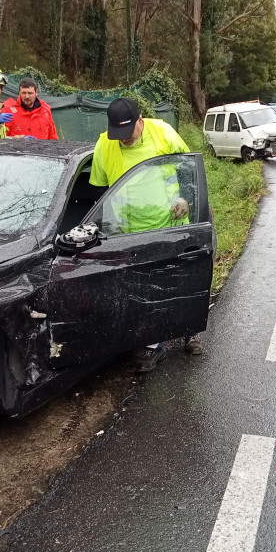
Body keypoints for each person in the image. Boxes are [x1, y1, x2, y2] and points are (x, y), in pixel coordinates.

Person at [89, 97, 205, 371]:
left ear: (140, 121)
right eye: (118, 136)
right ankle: (154, 346)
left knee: (181, 279)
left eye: (128, 134)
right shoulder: (105, 144)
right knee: (148, 288)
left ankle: (190, 330)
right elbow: (97, 191)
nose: (124, 141)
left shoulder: (163, 132)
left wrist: (187, 198)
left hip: (171, 222)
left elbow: (189, 167)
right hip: (132, 232)